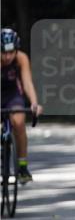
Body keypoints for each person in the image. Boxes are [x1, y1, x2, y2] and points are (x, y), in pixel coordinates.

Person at [1, 28, 42, 183]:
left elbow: (27, 82)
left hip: (12, 95)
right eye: (3, 53)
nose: (7, 57)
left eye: (11, 53)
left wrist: (34, 103)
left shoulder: (21, 58)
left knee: (18, 122)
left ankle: (22, 166)